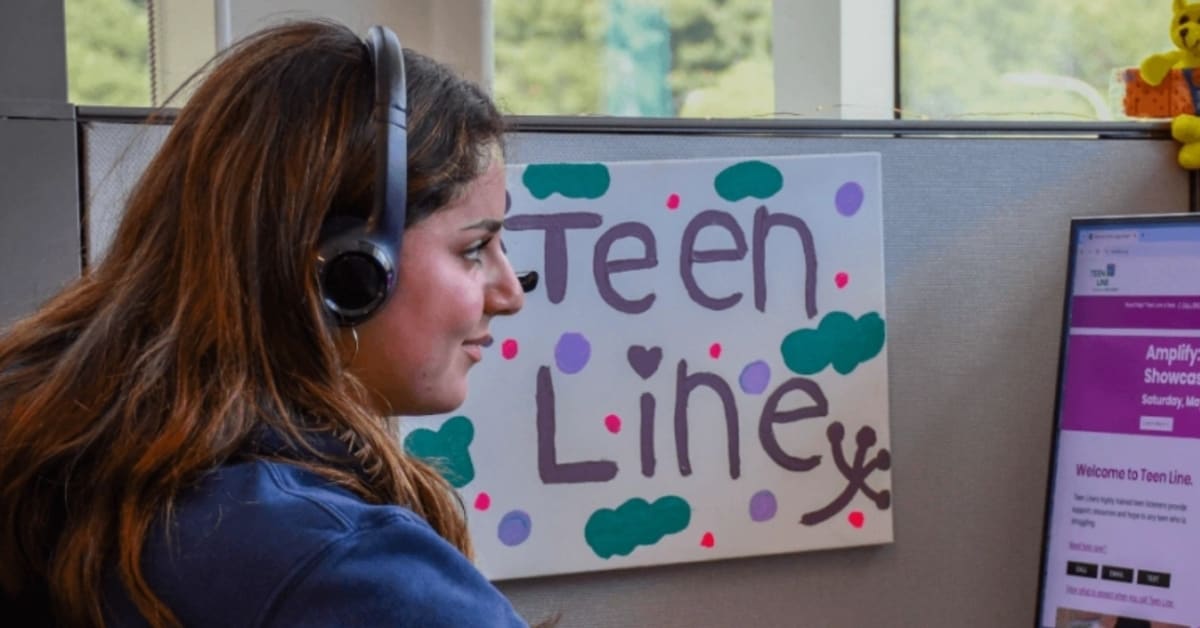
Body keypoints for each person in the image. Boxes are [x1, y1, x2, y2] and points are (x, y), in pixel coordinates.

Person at [0, 19, 533, 626]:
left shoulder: (64, 463)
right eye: (473, 250)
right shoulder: (348, 570)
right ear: (350, 270)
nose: (510, 294)